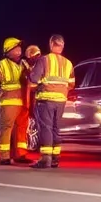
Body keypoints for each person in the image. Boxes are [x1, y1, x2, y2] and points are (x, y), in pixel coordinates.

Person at [27, 34, 75, 169]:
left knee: (46, 128)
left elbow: (34, 79)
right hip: (61, 101)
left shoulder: (44, 60)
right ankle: (55, 159)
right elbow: (71, 84)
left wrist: (35, 78)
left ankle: (45, 159)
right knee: (56, 128)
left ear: (51, 44)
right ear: (62, 46)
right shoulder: (68, 63)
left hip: (46, 99)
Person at [0, 37, 27, 164]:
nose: (19, 51)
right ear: (9, 51)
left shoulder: (23, 64)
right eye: (16, 48)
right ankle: (4, 156)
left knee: (21, 129)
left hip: (22, 103)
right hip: (8, 103)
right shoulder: (0, 65)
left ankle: (20, 154)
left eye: (19, 48)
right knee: (6, 129)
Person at [17, 44, 42, 161]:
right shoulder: (23, 65)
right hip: (26, 98)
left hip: (38, 98)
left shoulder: (41, 64)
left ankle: (36, 144)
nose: (37, 57)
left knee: (37, 123)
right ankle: (23, 148)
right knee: (25, 124)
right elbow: (27, 82)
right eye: (35, 56)